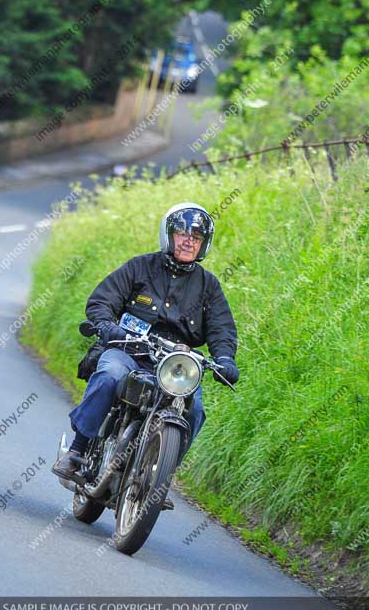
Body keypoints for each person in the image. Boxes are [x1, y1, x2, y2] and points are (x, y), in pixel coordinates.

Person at [52, 202, 239, 483]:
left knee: (196, 409)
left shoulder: (209, 286)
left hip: (175, 363)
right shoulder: (140, 266)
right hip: (128, 348)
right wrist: (106, 326)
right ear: (169, 235)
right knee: (109, 375)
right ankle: (76, 452)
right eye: (183, 234)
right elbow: (103, 300)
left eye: (196, 237)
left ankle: (159, 475)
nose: (189, 241)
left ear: (204, 244)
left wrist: (225, 359)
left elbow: (221, 328)